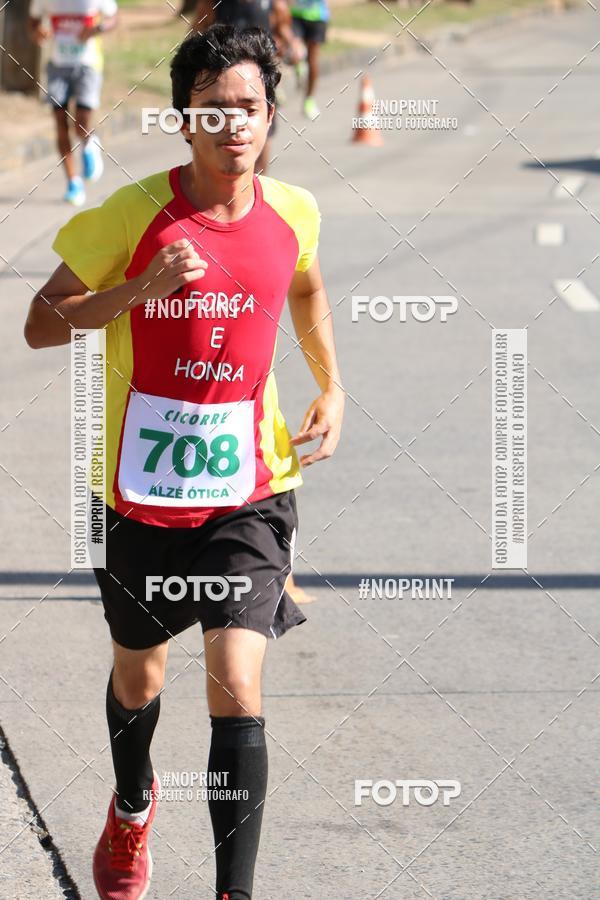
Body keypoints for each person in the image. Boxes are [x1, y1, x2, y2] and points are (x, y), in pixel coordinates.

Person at [24, 24, 344, 900]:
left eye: (249, 108)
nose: (233, 124)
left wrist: (332, 384)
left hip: (250, 490)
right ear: (184, 119)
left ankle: (233, 891)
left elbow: (306, 284)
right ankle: (133, 805)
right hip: (140, 493)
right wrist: (139, 290)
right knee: (140, 676)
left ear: (270, 116)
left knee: (236, 684)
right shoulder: (131, 216)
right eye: (213, 109)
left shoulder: (295, 211)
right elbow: (42, 323)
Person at [193, 0, 303, 174]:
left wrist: (291, 48)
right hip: (222, 87)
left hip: (259, 86)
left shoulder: (273, 4)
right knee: (221, 148)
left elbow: (284, 34)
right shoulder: (212, 2)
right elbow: (196, 33)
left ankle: (255, 187)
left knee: (259, 145)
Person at [28, 0, 117, 206]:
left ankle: (89, 143)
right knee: (60, 123)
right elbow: (33, 22)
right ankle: (73, 183)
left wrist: (97, 28)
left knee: (81, 123)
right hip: (57, 66)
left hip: (88, 64)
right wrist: (37, 32)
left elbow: (114, 18)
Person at [290, 0, 329, 120]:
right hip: (296, 14)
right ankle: (299, 67)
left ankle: (309, 100)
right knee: (295, 50)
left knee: (312, 60)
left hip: (317, 16)